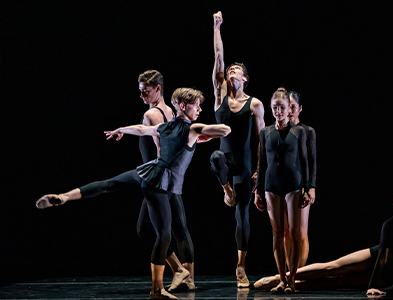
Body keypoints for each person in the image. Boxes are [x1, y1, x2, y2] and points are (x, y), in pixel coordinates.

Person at [36, 71, 195, 292]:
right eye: (140, 91)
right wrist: (125, 130)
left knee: (159, 229)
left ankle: (170, 281)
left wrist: (162, 171)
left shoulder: (153, 115)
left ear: (158, 89)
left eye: (145, 92)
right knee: (164, 229)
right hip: (163, 180)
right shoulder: (169, 112)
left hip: (155, 180)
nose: (141, 96)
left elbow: (162, 147)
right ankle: (182, 274)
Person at [254, 185, 393, 296]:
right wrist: (371, 285)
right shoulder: (390, 224)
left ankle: (294, 285)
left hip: (389, 274)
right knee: (333, 267)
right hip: (376, 255)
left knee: (338, 282)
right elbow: (382, 254)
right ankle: (280, 278)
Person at [210, 10, 265, 287]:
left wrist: (258, 171)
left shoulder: (254, 104)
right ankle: (225, 191)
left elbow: (261, 140)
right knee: (216, 155)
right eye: (229, 70)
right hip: (225, 163)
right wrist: (217, 26)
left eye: (236, 71)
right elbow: (218, 56)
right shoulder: (219, 93)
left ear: (245, 78)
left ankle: (241, 266)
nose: (231, 71)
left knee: (242, 215)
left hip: (244, 164)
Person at [254, 88, 313, 294]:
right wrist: (257, 190)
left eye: (282, 107)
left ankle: (293, 279)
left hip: (294, 186)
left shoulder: (300, 132)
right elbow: (262, 164)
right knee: (278, 234)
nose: (278, 111)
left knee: (295, 233)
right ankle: (281, 279)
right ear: (271, 109)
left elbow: (306, 162)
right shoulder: (265, 132)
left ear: (289, 109)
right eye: (275, 108)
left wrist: (308, 187)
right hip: (271, 186)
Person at [284, 91, 317, 268]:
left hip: (301, 186)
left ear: (300, 108)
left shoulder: (307, 131)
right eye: (286, 107)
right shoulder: (278, 131)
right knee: (286, 233)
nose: (289, 111)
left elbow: (312, 161)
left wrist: (310, 187)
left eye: (293, 107)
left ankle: (300, 272)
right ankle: (289, 273)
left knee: (301, 232)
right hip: (282, 186)